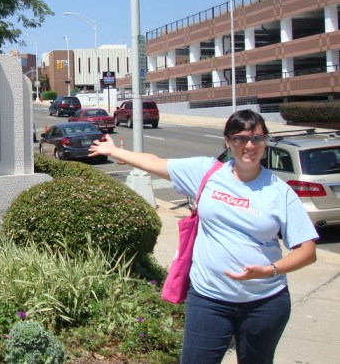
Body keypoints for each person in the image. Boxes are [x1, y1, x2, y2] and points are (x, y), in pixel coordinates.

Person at [88, 109, 317, 364]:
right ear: (228, 141)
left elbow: (307, 250)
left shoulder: (279, 191)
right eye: (240, 139)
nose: (249, 146)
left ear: (265, 141)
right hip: (209, 300)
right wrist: (114, 151)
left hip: (264, 303)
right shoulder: (206, 172)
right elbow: (156, 162)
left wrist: (270, 270)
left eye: (257, 138)